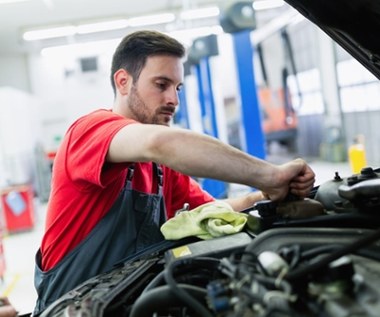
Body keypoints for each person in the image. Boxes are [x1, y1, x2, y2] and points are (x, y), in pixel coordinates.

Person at [33, 30, 315, 314]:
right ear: (123, 82)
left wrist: (262, 197)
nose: (173, 99)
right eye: (161, 84)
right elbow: (159, 143)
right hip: (71, 309)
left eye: (177, 87)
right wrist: (270, 175)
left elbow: (210, 211)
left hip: (132, 304)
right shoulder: (90, 131)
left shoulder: (160, 169)